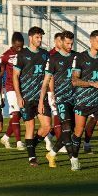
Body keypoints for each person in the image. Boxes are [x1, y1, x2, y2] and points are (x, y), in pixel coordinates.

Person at [70, 31, 98, 172]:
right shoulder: (80, 57)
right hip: (83, 100)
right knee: (79, 131)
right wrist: (92, 83)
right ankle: (74, 159)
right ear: (91, 41)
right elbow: (74, 81)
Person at [13, 27, 51, 166]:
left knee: (47, 126)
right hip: (26, 97)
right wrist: (18, 96)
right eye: (37, 37)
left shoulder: (45, 54)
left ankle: (31, 146)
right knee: (30, 127)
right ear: (30, 38)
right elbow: (15, 76)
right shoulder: (22, 55)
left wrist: (51, 93)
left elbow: (49, 76)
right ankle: (32, 158)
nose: (40, 40)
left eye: (41, 37)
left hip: (41, 97)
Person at [42, 31, 78, 169]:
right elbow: (47, 80)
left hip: (76, 97)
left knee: (71, 130)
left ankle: (52, 153)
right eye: (67, 43)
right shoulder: (53, 58)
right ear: (61, 42)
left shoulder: (76, 56)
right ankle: (73, 160)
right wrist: (49, 95)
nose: (70, 46)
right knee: (67, 128)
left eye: (71, 43)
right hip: (61, 98)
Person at [0, 31, 24, 148]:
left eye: (21, 46)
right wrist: (1, 92)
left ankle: (5, 138)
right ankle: (19, 142)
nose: (19, 49)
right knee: (16, 113)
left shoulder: (25, 53)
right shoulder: (5, 56)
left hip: (23, 87)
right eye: (17, 46)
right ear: (12, 44)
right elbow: (0, 73)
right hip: (10, 87)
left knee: (18, 115)